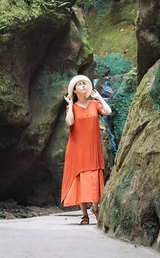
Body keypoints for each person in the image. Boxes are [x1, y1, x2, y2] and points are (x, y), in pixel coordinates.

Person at [61, 74, 112, 225]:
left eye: (85, 83)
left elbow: (108, 111)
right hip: (77, 149)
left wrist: (100, 98)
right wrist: (70, 106)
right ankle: (84, 215)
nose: (83, 85)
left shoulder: (94, 105)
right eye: (80, 84)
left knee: (94, 177)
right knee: (80, 179)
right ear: (74, 91)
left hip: (93, 147)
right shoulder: (71, 107)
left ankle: (95, 207)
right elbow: (69, 122)